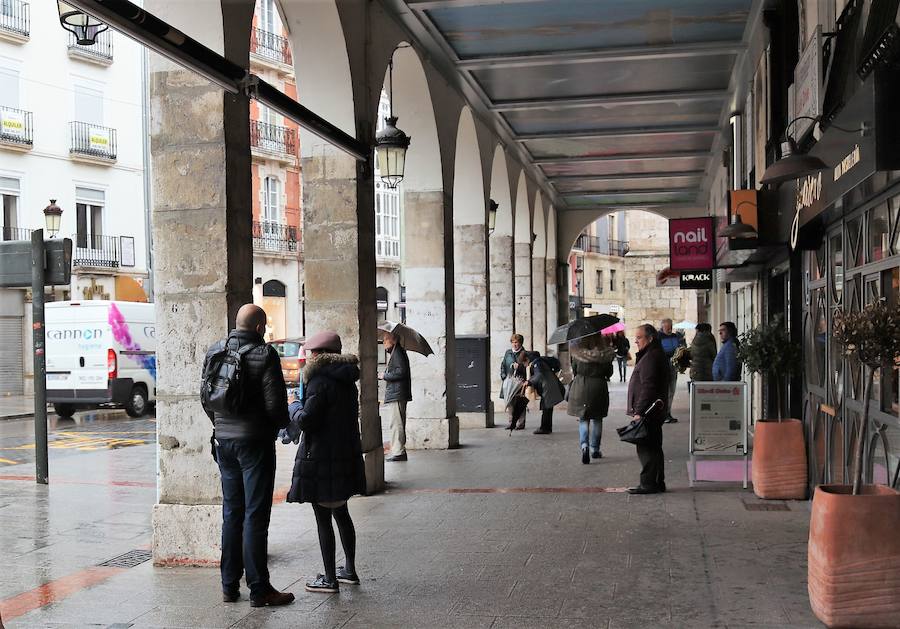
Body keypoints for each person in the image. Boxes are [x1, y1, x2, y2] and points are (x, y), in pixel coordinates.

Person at [202, 304, 294, 607]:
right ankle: (259, 589)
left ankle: (229, 585)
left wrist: (221, 427)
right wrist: (277, 425)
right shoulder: (265, 354)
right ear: (258, 328)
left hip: (224, 442)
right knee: (256, 515)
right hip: (254, 443)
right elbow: (275, 407)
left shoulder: (215, 350)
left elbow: (206, 397)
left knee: (232, 512)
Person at [283, 330, 366, 594]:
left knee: (322, 517)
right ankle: (349, 570)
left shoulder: (319, 381)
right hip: (344, 454)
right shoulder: (347, 380)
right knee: (341, 512)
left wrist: (294, 405)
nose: (307, 358)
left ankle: (330, 579)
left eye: (310, 353)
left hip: (322, 458)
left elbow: (307, 420)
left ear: (318, 355)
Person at [626, 324, 669, 494]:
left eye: (639, 337)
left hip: (649, 411)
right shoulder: (654, 353)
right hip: (654, 410)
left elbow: (648, 387)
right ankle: (657, 482)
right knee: (654, 446)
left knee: (646, 448)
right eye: (635, 337)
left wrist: (639, 411)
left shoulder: (651, 356)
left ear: (650, 338)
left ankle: (648, 483)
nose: (636, 341)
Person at [567, 337, 614, 463]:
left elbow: (575, 370)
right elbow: (609, 372)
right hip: (599, 386)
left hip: (581, 385)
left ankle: (584, 446)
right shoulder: (605, 354)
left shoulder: (578, 354)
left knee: (583, 419)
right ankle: (595, 449)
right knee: (597, 419)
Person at [380, 332, 411, 462]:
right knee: (396, 423)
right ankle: (398, 450)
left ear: (393, 340)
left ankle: (398, 452)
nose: (383, 342)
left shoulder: (397, 353)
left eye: (385, 339)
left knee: (396, 423)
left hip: (397, 393)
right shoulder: (396, 352)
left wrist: (384, 376)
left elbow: (401, 372)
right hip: (397, 393)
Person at [523, 351, 564, 435]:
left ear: (527, 359)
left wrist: (529, 381)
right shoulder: (539, 361)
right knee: (548, 408)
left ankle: (544, 428)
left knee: (546, 407)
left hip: (547, 387)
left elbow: (539, 375)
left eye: (524, 363)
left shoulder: (536, 363)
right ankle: (547, 427)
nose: (524, 365)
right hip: (550, 385)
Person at [658, 318, 685, 423]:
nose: (669, 329)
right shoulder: (658, 337)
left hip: (673, 367)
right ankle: (662, 413)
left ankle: (668, 412)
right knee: (663, 391)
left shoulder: (675, 336)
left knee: (671, 391)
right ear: (662, 326)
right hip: (663, 367)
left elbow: (680, 348)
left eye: (671, 327)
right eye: (667, 327)